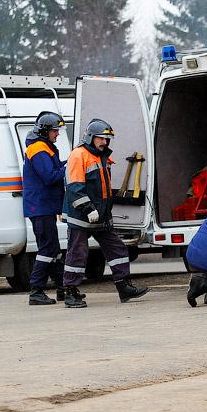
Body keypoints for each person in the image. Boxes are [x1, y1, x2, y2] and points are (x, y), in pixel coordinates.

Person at [61, 118, 148, 308]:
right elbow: (74, 187)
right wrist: (88, 208)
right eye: (101, 138)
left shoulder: (103, 156)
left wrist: (105, 213)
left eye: (106, 139)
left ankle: (124, 286)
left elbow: (104, 189)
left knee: (118, 249)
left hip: (100, 216)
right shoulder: (78, 155)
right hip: (81, 216)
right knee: (77, 254)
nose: (104, 142)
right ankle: (70, 292)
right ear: (91, 137)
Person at [22, 111, 67, 305]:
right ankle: (36, 290)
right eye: (55, 131)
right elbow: (49, 176)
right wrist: (70, 167)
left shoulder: (43, 147)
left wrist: (68, 162)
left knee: (54, 249)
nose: (57, 134)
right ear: (45, 130)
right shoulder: (39, 149)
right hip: (40, 207)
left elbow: (53, 170)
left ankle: (62, 287)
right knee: (48, 249)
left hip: (43, 207)